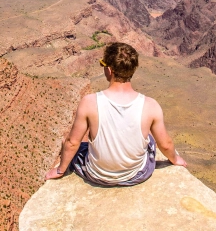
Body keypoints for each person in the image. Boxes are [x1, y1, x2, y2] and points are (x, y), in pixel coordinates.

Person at [45, 42, 187, 186]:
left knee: (78, 147)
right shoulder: (151, 105)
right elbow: (165, 144)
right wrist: (175, 159)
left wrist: (60, 170)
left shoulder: (89, 102)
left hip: (97, 175)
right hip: (136, 175)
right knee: (149, 139)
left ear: (109, 70)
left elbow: (72, 142)